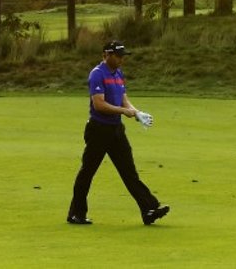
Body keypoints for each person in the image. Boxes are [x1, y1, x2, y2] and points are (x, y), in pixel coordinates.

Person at [67, 41, 169, 226]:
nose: (122, 59)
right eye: (118, 55)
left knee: (129, 172)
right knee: (87, 172)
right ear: (107, 54)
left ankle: (149, 210)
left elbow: (124, 99)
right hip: (98, 130)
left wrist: (136, 112)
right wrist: (124, 112)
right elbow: (99, 104)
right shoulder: (97, 74)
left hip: (115, 130)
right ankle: (76, 214)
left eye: (123, 56)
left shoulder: (118, 74)